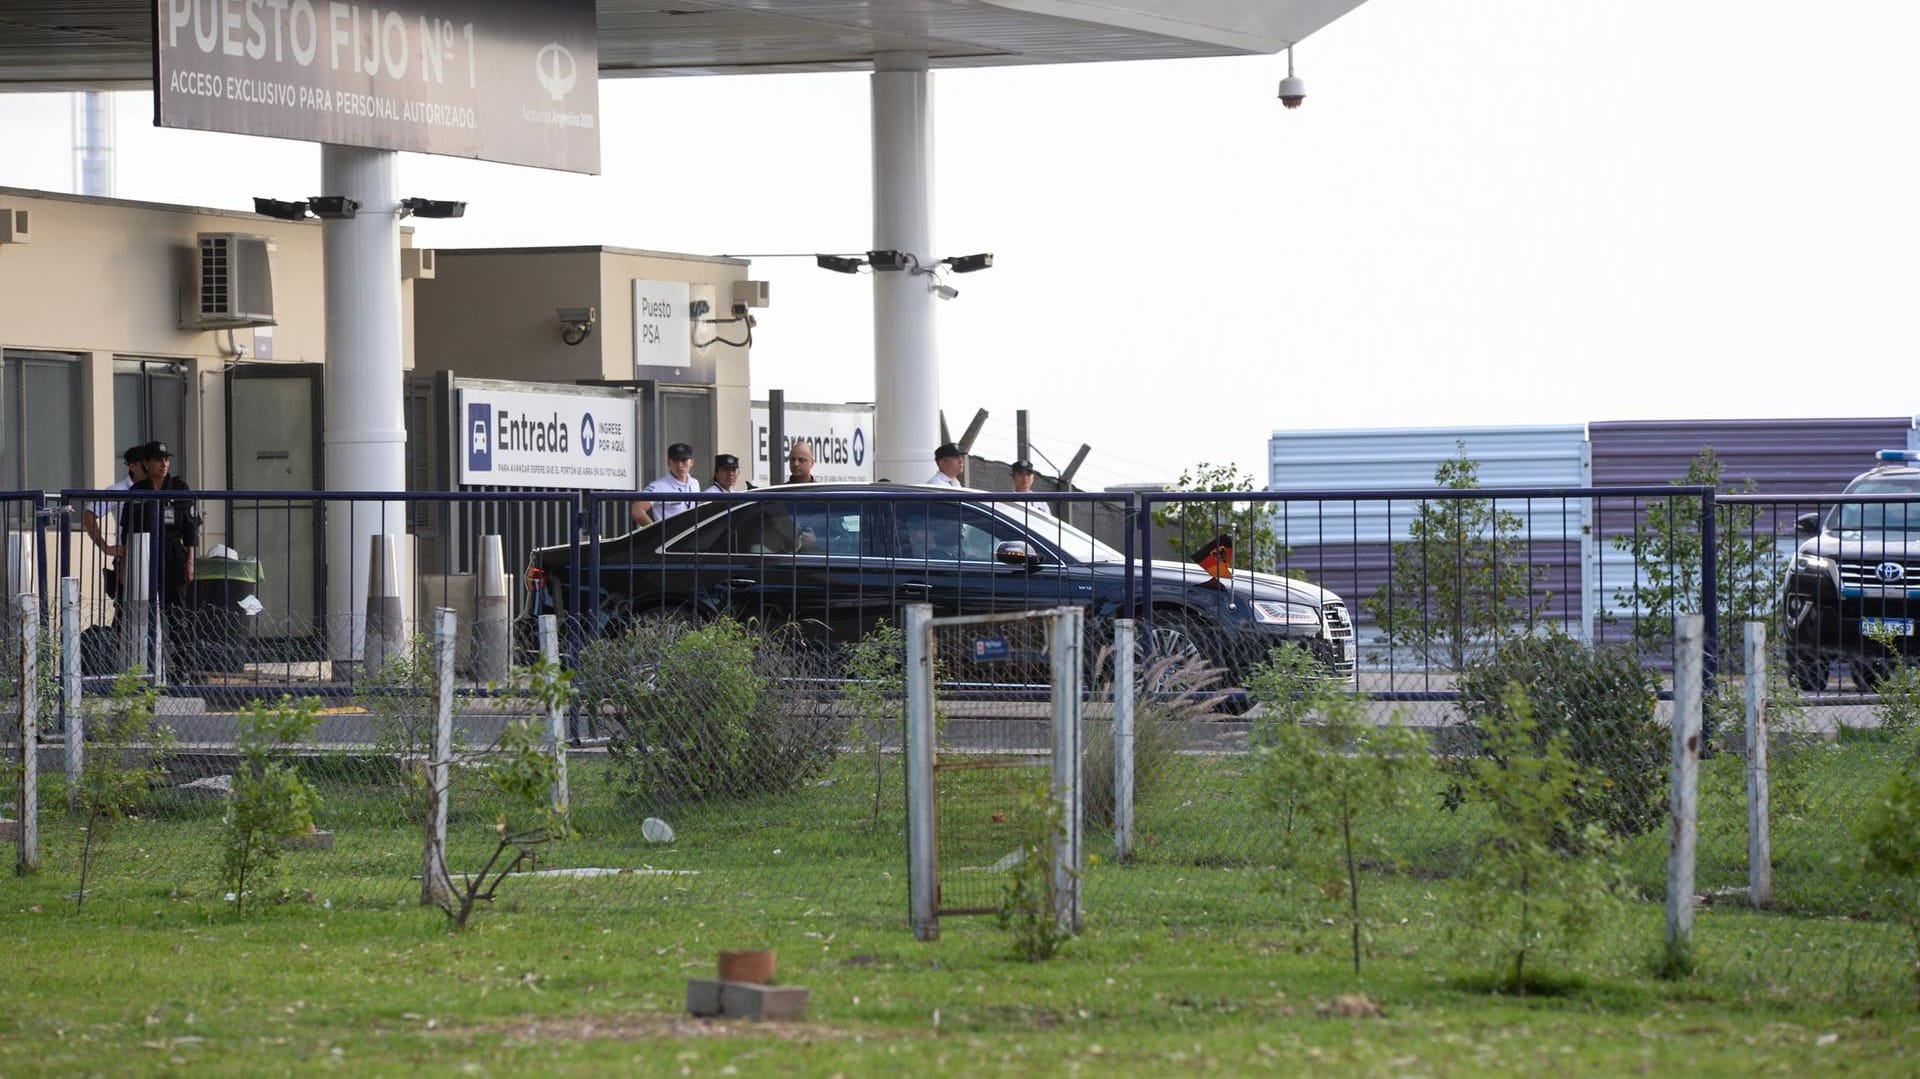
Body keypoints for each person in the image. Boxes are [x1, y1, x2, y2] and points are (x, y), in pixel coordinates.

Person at [119, 441, 200, 661]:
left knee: (177, 614)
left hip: (172, 556)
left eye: (166, 459)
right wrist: (125, 566)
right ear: (146, 463)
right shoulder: (138, 491)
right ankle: (142, 664)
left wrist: (191, 561)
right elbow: (127, 530)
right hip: (143, 556)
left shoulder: (179, 488)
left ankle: (183, 665)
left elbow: (191, 527)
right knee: (141, 611)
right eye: (158, 460)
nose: (163, 464)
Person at [83, 445, 147, 605]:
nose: (148, 467)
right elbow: (89, 515)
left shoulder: (158, 487)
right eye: (143, 463)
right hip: (128, 555)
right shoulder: (119, 490)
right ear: (132, 466)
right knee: (125, 605)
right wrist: (104, 546)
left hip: (154, 554)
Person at [633, 442, 699, 526]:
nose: (679, 465)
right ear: (668, 463)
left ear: (692, 462)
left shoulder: (695, 483)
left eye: (684, 460)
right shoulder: (658, 486)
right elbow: (637, 510)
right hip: (670, 537)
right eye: (675, 460)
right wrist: (656, 531)